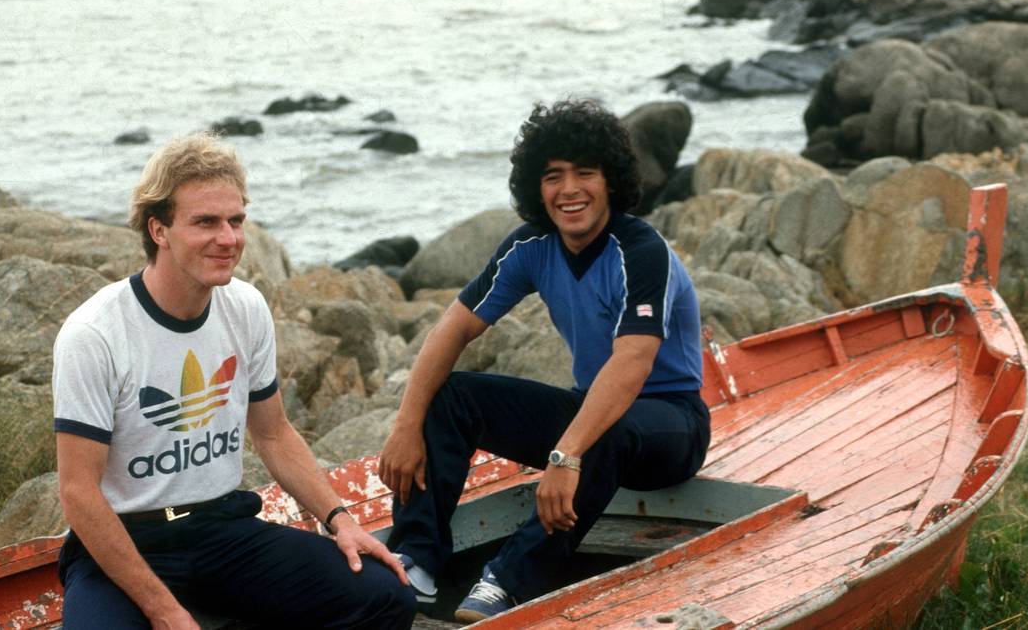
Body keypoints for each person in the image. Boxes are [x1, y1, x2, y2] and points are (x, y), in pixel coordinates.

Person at [52, 133, 415, 629]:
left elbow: (273, 433)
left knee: (385, 594)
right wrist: (164, 611)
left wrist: (341, 520)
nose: (229, 239)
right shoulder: (95, 333)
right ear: (159, 229)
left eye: (236, 221)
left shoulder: (244, 307)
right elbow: (79, 493)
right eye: (206, 222)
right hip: (125, 544)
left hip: (222, 531)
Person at [378, 99, 711, 621]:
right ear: (536, 185)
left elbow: (633, 361)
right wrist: (407, 423)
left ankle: (509, 580)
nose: (569, 190)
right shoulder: (530, 246)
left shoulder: (641, 251)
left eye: (585, 173)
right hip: (591, 418)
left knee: (605, 428)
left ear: (611, 181)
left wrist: (566, 456)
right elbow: (455, 327)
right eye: (554, 176)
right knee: (451, 396)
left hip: (671, 427)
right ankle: (415, 561)